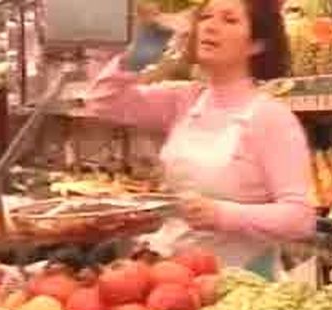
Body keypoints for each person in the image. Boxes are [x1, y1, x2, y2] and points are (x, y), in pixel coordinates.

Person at [84, 0, 316, 276]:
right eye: (205, 17)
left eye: (229, 20)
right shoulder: (184, 100)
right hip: (175, 275)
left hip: (239, 282)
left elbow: (300, 218)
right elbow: (102, 102)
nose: (210, 27)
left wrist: (224, 215)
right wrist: (139, 54)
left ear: (257, 44)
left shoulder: (272, 118)